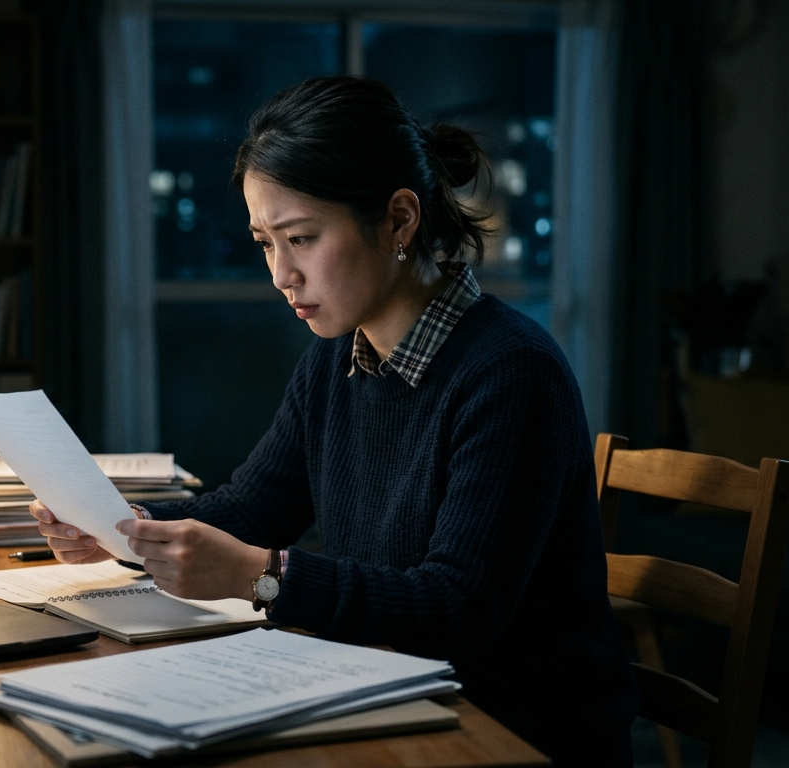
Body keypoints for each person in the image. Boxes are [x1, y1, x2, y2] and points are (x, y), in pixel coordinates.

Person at [31, 76, 637, 766]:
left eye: (302, 238)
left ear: (400, 221)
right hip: (388, 695)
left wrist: (263, 577)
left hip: (507, 732)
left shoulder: (511, 371)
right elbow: (253, 506)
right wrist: (121, 525)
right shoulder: (336, 359)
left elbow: (457, 610)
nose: (281, 275)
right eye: (265, 242)